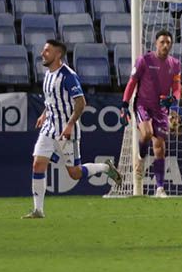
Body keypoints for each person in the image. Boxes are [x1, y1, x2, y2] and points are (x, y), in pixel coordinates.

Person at [24, 39, 123, 218]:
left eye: (47, 51)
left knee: (75, 174)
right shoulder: (47, 75)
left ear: (58, 54)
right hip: (49, 128)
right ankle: (38, 210)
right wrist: (45, 114)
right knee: (38, 164)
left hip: (66, 130)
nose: (42, 53)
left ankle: (105, 168)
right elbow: (52, 99)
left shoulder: (68, 76)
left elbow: (81, 102)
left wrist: (70, 124)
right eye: (43, 50)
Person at [121, 30, 182, 198]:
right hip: (143, 104)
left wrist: (174, 99)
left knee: (160, 148)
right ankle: (140, 155)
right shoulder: (144, 60)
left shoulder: (175, 64)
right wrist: (125, 103)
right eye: (162, 42)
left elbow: (177, 87)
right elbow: (132, 82)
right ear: (156, 43)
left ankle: (160, 188)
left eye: (168, 42)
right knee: (147, 133)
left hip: (161, 109)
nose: (165, 45)